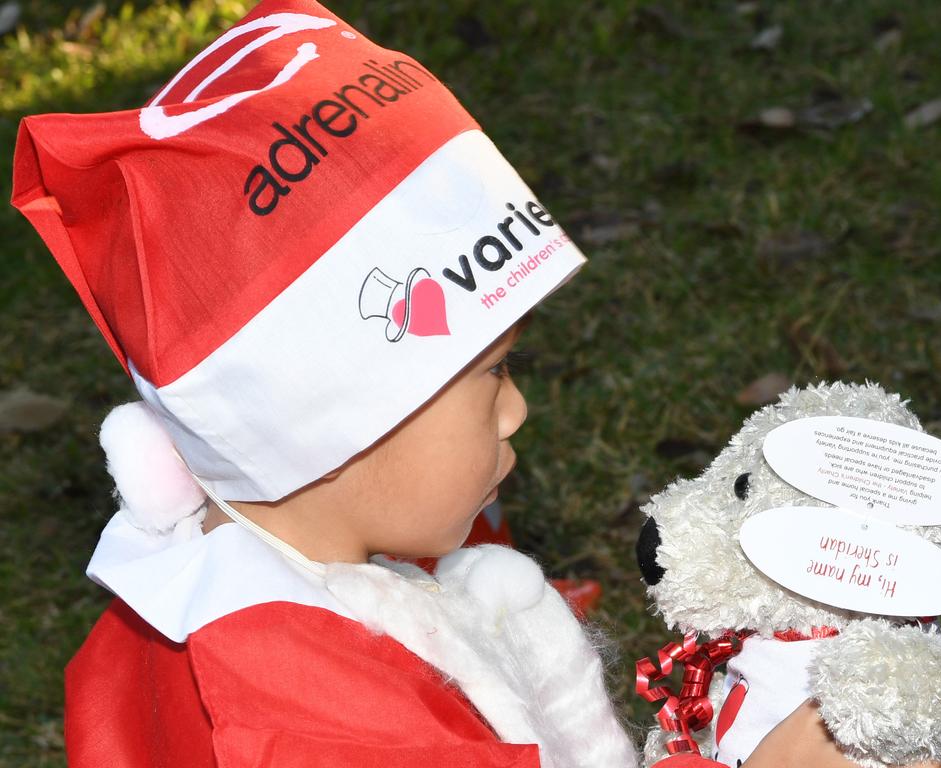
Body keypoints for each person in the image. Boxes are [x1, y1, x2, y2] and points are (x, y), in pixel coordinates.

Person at [11, 1, 873, 765]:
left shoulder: (207, 593)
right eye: (493, 374)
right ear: (339, 423)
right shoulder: (324, 729)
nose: (518, 409)